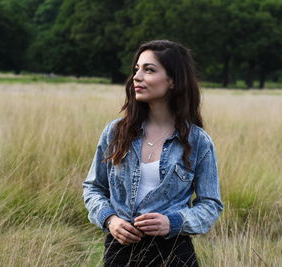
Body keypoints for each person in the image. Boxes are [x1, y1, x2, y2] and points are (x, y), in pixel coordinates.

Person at [83, 40, 223, 267]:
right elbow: (93, 187)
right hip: (120, 252)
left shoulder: (197, 141)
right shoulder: (116, 132)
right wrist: (110, 220)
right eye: (136, 69)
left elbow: (211, 204)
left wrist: (173, 222)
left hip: (173, 254)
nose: (137, 77)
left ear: (173, 81)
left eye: (149, 70)